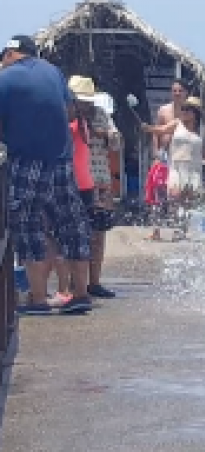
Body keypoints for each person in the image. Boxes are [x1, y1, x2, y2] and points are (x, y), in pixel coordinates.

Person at [0, 35, 92, 315]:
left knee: (27, 226)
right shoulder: (53, 72)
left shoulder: (5, 78)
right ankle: (80, 294)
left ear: (13, 53)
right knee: (71, 224)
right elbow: (67, 110)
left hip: (27, 161)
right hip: (61, 160)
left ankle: (38, 299)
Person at [69, 76, 119, 298]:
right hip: (73, 179)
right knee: (73, 232)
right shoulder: (67, 116)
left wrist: (105, 134)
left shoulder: (101, 115)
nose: (84, 105)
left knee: (98, 232)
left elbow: (117, 142)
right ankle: (74, 283)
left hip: (99, 179)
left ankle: (94, 281)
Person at [141, 96, 205, 241]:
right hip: (177, 167)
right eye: (183, 109)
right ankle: (175, 227)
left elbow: (204, 153)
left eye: (187, 110)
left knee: (187, 203)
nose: (184, 112)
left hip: (193, 169)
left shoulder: (202, 130)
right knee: (175, 199)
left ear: (195, 113)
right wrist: (149, 128)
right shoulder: (177, 124)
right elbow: (161, 130)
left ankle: (181, 231)